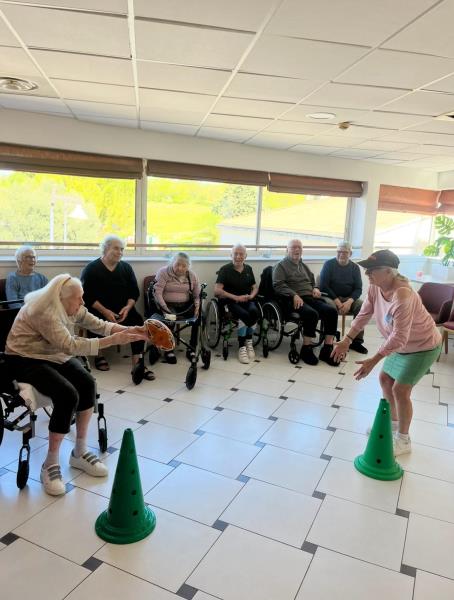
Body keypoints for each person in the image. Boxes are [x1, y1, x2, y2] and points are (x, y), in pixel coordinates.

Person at [5, 274, 149, 495]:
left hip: (54, 353)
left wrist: (132, 331)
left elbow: (99, 325)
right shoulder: (43, 312)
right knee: (67, 394)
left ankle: (79, 452)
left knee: (88, 384)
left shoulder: (71, 305)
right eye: (78, 298)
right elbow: (71, 346)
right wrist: (113, 341)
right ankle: (50, 463)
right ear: (61, 298)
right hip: (25, 357)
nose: (82, 302)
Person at [332, 250, 442, 456]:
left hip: (423, 346)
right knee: (385, 380)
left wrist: (373, 360)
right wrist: (346, 340)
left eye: (372, 270)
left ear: (390, 271)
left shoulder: (403, 295)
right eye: (367, 269)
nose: (367, 274)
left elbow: (399, 337)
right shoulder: (376, 287)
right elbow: (364, 314)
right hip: (402, 345)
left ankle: (404, 440)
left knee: (401, 390)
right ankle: (392, 424)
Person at [81, 234, 154, 381]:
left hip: (123, 310)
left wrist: (127, 307)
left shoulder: (126, 268)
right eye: (116, 248)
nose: (120, 252)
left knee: (138, 321)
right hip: (100, 309)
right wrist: (105, 311)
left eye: (122, 249)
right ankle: (99, 355)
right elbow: (87, 296)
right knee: (93, 319)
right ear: (105, 248)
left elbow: (134, 292)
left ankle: (137, 363)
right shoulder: (91, 268)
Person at [272, 239, 339, 366]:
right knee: (311, 314)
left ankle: (327, 349)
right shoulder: (280, 266)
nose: (297, 249)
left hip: (309, 297)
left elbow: (312, 282)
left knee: (331, 311)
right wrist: (294, 294)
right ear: (287, 250)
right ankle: (306, 349)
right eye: (294, 247)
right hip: (291, 300)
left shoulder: (303, 266)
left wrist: (315, 288)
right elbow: (278, 285)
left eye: (299, 247)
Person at [319, 241, 368, 354]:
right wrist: (337, 301)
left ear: (350, 253)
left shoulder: (355, 267)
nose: (341, 254)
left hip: (348, 298)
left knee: (362, 306)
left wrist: (349, 302)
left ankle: (356, 341)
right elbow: (324, 286)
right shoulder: (328, 264)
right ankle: (329, 341)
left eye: (345, 252)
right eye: (339, 251)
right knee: (330, 308)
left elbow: (358, 288)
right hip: (331, 297)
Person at [152, 252, 201, 364]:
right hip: (167, 305)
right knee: (171, 319)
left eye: (184, 266)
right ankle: (168, 349)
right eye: (177, 264)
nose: (180, 268)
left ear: (188, 266)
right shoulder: (163, 272)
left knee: (198, 317)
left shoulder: (192, 275)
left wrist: (197, 306)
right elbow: (157, 292)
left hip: (185, 306)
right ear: (172, 262)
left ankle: (192, 348)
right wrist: (165, 309)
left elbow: (197, 295)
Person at [215, 244, 259, 364]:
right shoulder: (225, 269)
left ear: (246, 256)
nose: (238, 256)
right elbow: (217, 291)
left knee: (255, 312)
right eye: (236, 254)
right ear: (231, 255)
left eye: (241, 254)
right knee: (244, 314)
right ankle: (242, 346)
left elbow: (255, 287)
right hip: (230, 301)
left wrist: (251, 296)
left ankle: (248, 340)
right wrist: (236, 297)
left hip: (246, 300)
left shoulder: (248, 269)